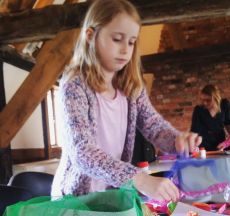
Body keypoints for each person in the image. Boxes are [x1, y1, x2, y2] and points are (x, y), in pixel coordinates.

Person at [51, 0, 201, 203]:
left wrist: (176, 140)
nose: (125, 50)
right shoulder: (75, 86)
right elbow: (82, 151)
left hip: (111, 196)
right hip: (74, 201)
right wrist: (139, 179)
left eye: (131, 42)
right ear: (90, 36)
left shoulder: (131, 89)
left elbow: (155, 127)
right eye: (117, 39)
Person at [191, 84, 230, 151]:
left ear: (216, 98)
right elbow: (194, 131)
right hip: (204, 145)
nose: (205, 103)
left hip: (220, 143)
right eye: (203, 100)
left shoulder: (225, 104)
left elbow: (229, 126)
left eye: (208, 100)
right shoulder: (198, 109)